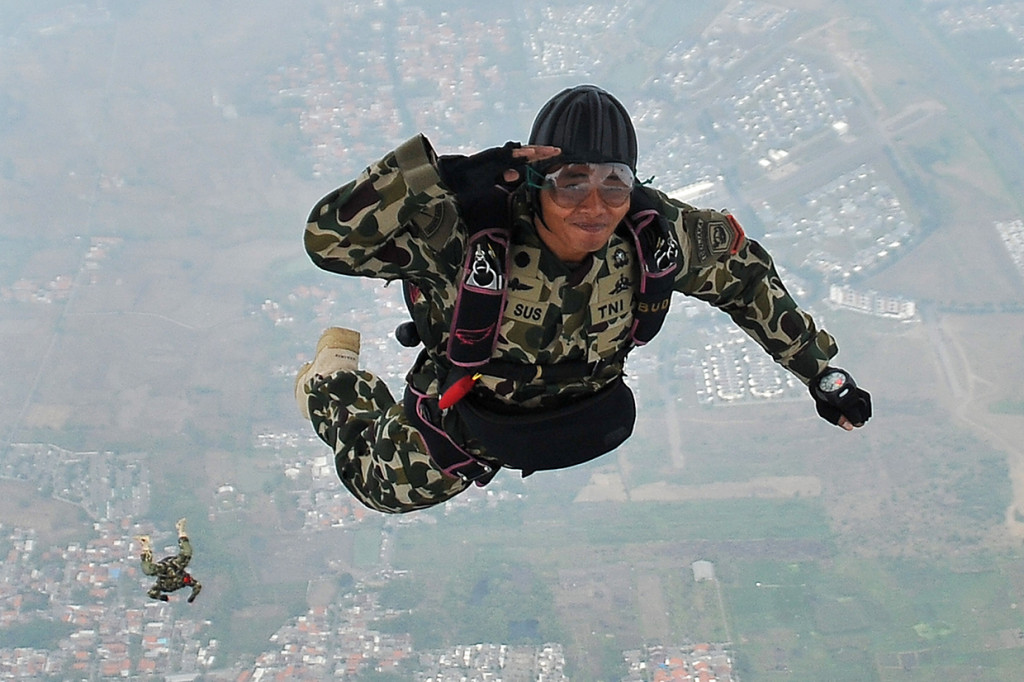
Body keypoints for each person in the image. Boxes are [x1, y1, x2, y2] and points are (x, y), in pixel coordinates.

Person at [296, 84, 871, 514]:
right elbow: (327, 241)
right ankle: (331, 378)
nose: (594, 205)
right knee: (380, 486)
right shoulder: (460, 229)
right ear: (539, 181)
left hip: (583, 411)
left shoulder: (655, 235)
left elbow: (745, 278)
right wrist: (436, 175)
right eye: (572, 180)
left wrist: (820, 374)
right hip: (470, 417)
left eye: (614, 183)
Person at [135, 518, 202, 603]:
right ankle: (181, 531)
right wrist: (192, 597)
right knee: (187, 553)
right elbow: (197, 586)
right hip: (174, 566)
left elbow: (151, 593)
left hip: (166, 570)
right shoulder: (184, 580)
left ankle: (145, 546)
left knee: (148, 570)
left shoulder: (161, 585)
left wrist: (161, 597)